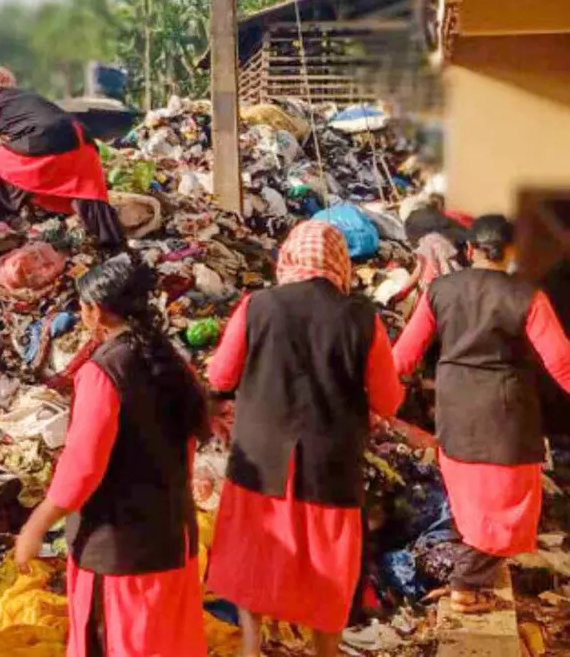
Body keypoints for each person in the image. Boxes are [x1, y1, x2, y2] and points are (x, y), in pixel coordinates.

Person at [205, 221, 403, 657]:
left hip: (261, 457)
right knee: (327, 563)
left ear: (291, 255)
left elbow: (220, 374)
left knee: (256, 552)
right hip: (328, 461)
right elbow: (388, 401)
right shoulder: (361, 318)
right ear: (339, 260)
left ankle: (252, 646)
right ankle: (324, 650)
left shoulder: (257, 306)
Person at [14, 254, 208, 657]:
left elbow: (83, 467)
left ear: (94, 311)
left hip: (120, 551)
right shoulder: (173, 363)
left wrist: (37, 525)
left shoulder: (104, 372)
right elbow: (186, 450)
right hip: (173, 537)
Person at [392, 215, 570, 612]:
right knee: (509, 509)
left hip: (455, 412)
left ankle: (471, 581)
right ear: (509, 252)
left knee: (470, 502)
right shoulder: (526, 295)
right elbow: (561, 361)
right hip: (507, 416)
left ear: (470, 250)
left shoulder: (439, 290)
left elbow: (403, 357)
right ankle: (465, 585)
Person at [0, 66, 123, 249]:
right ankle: (112, 243)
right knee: (87, 192)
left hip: (48, 139)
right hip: (84, 141)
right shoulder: (26, 97)